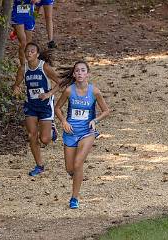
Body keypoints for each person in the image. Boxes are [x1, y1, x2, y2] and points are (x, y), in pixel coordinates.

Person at [54, 61, 110, 209]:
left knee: (78, 163)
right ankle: (76, 176)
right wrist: (64, 121)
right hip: (70, 132)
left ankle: (74, 198)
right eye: (77, 71)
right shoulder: (69, 91)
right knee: (70, 168)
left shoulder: (94, 91)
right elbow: (57, 108)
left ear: (88, 74)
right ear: (74, 74)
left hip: (87, 132)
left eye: (83, 70)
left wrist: (95, 120)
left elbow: (106, 110)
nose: (80, 73)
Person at [12, 42, 61, 177]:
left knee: (45, 139)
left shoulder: (44, 67)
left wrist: (49, 94)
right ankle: (39, 165)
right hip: (31, 105)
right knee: (31, 135)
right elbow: (17, 84)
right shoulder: (23, 69)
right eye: (27, 51)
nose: (29, 53)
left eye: (32, 51)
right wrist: (16, 88)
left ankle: (51, 127)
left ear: (37, 54)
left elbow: (60, 82)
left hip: (45, 105)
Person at [11, 0, 41, 65]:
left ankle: (29, 65)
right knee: (23, 42)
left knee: (28, 43)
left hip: (29, 14)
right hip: (18, 13)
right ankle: (23, 66)